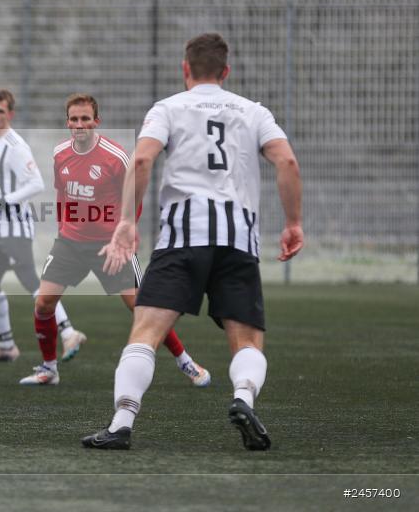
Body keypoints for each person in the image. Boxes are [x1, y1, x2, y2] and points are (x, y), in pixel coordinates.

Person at [82, 33, 303, 450]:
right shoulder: (253, 112)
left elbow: (144, 158)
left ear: (186, 69)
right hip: (237, 240)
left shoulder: (168, 108)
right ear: (226, 72)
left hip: (182, 238)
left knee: (145, 331)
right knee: (248, 339)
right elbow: (287, 161)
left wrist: (127, 220)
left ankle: (121, 423)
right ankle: (242, 399)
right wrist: (293, 222)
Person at [19, 93, 210, 388]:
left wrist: (128, 232)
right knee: (44, 303)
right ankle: (48, 368)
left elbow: (134, 196)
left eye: (85, 119)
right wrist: (64, 228)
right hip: (70, 242)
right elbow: (62, 194)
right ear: (67, 122)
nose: (79, 125)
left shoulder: (116, 156)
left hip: (111, 245)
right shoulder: (60, 153)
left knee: (141, 307)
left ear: (97, 121)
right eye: (74, 119)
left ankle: (185, 361)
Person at [0, 89, 87, 363]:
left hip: (15, 228)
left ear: (9, 114)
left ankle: (69, 331)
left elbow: (36, 182)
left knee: (30, 280)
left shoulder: (15, 145)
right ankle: (6, 346)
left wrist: (5, 201)